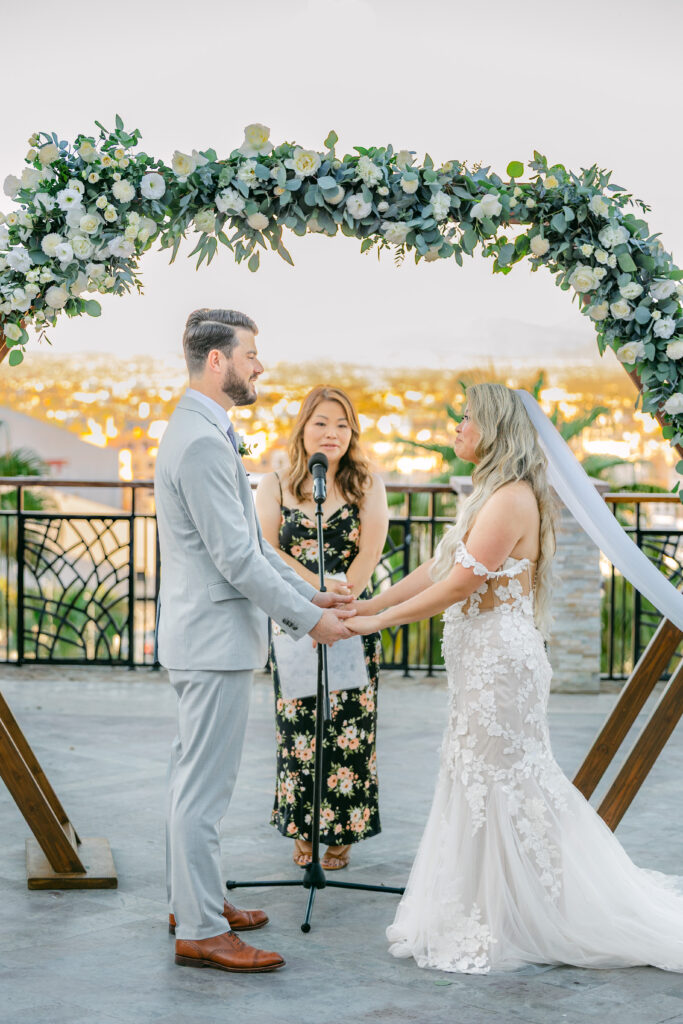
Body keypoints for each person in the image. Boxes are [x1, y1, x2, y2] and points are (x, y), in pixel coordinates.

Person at [348, 382, 683, 974]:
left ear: (494, 428)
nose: (457, 425)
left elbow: (458, 586)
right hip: (480, 658)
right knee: (475, 775)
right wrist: (368, 606)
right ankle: (494, 907)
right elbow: (437, 566)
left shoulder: (510, 498)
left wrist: (378, 625)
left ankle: (532, 911)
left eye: (467, 417)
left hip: (501, 663)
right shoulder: (489, 493)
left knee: (504, 781)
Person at [154, 310, 355, 974]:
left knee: (193, 783)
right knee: (203, 792)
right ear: (218, 360)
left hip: (206, 636)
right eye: (250, 355)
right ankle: (203, 930)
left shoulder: (203, 428)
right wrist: (308, 622)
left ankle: (197, 902)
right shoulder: (205, 442)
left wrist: (310, 597)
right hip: (211, 640)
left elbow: (248, 547)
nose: (258, 366)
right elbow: (234, 563)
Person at [255, 386, 388, 871]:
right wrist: (315, 598)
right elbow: (268, 551)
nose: (331, 434)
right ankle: (303, 828)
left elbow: (370, 551)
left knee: (348, 727)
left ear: (352, 433)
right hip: (295, 620)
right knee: (299, 731)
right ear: (303, 428)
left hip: (350, 621)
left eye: (341, 425)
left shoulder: (367, 483)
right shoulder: (275, 485)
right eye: (321, 423)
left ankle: (342, 829)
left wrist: (343, 601)